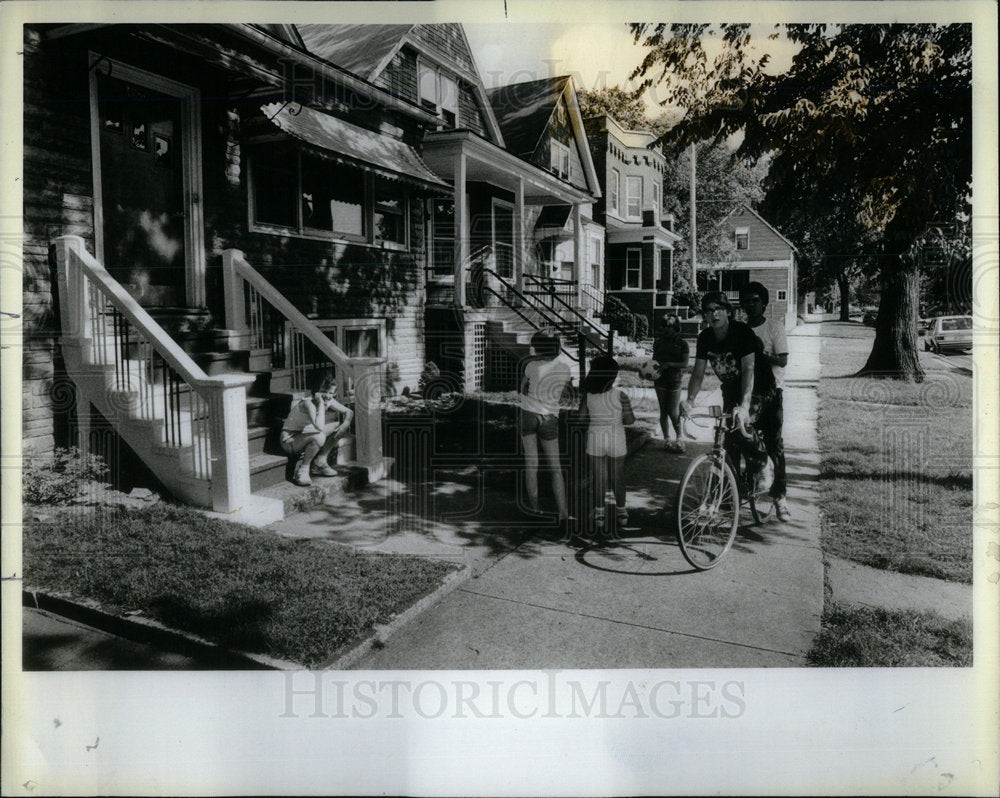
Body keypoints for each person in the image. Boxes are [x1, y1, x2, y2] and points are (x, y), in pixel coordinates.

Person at [680, 291, 774, 494]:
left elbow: (749, 369)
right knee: (727, 440)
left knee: (742, 425)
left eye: (718, 310)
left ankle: (763, 462)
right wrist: (690, 400)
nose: (713, 315)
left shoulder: (742, 332)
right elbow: (698, 373)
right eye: (708, 311)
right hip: (731, 389)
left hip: (759, 386)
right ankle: (730, 491)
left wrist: (745, 406)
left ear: (727, 312)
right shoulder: (705, 337)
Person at [740, 282, 791, 521]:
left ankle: (779, 497)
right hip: (747, 392)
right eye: (747, 301)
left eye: (755, 301)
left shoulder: (773, 327)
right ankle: (748, 481)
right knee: (739, 439)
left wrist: (762, 353)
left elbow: (782, 361)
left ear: (764, 303)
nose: (751, 305)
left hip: (771, 392)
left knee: (775, 445)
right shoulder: (739, 329)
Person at [520, 330, 571, 533]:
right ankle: (563, 513)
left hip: (528, 414)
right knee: (555, 468)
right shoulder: (565, 368)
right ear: (557, 348)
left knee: (531, 464)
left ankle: (534, 509)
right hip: (550, 416)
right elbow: (564, 390)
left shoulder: (531, 366)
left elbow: (523, 387)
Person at [581, 354, 635, 539]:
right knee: (617, 477)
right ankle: (622, 512)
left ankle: (599, 514)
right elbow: (629, 420)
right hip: (616, 438)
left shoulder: (588, 395)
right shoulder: (620, 395)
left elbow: (581, 418)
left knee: (599, 478)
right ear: (612, 377)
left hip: (595, 437)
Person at [280, 373, 353, 487]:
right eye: (325, 392)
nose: (328, 396)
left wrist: (346, 423)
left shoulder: (327, 400)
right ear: (317, 392)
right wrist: (321, 404)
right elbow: (319, 426)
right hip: (290, 441)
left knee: (338, 426)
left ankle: (320, 461)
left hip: (305, 436)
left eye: (331, 393)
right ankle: (303, 470)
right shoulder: (308, 403)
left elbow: (349, 412)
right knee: (319, 436)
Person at [652, 314, 689, 452]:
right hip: (660, 378)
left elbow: (685, 363)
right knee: (663, 410)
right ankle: (667, 439)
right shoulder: (658, 342)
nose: (666, 330)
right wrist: (646, 372)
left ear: (676, 327)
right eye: (664, 326)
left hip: (675, 379)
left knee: (673, 411)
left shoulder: (682, 343)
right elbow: (654, 361)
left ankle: (680, 438)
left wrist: (669, 364)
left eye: (670, 327)